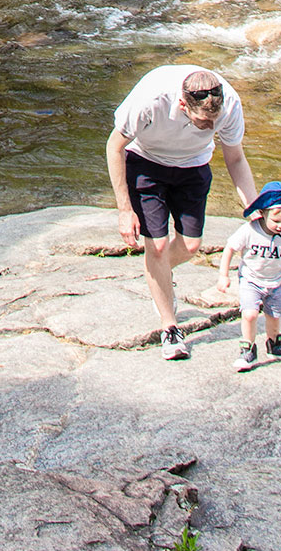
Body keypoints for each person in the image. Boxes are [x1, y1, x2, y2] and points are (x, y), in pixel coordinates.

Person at [106, 63, 257, 359]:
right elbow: (114, 147)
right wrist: (124, 210)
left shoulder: (230, 105)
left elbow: (236, 159)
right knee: (158, 246)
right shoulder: (151, 98)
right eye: (202, 122)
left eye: (212, 122)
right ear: (181, 104)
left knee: (190, 246)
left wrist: (253, 207)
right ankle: (170, 328)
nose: (208, 128)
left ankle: (157, 275)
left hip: (193, 166)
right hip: (146, 163)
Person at [217, 179, 281, 371]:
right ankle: (247, 349)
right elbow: (230, 248)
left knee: (274, 315)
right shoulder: (249, 230)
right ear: (262, 213)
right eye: (276, 221)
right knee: (250, 314)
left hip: (277, 281)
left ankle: (274, 345)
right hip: (251, 280)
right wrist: (224, 275)